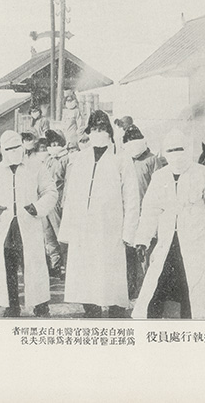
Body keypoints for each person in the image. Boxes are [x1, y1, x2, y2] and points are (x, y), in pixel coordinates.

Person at [132, 129, 205, 320]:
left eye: (180, 149)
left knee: (194, 292)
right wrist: (142, 241)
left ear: (188, 150)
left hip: (198, 242)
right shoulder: (160, 176)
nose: (176, 155)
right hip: (169, 242)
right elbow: (150, 211)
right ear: (165, 153)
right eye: (171, 151)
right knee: (157, 290)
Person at [58, 110, 140, 318]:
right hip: (84, 227)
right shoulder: (81, 158)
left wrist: (129, 232)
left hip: (110, 227)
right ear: (89, 131)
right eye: (94, 129)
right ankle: (91, 309)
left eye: (102, 128)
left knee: (111, 272)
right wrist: (68, 230)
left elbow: (131, 198)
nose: (98, 132)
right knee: (86, 272)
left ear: (110, 131)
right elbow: (72, 195)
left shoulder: (121, 158)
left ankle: (116, 309)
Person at [0, 130, 58, 317]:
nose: (13, 152)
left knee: (34, 265)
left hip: (28, 224)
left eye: (16, 147)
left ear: (22, 147)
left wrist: (37, 207)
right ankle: (11, 305)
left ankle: (40, 304)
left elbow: (50, 191)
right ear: (3, 150)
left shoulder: (35, 167)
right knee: (7, 267)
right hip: (5, 227)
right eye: (9, 149)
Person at [121, 124, 163, 299]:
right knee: (128, 254)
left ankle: (148, 290)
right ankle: (130, 288)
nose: (133, 143)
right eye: (129, 140)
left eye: (135, 139)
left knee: (146, 253)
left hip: (147, 214)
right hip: (128, 214)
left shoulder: (152, 160)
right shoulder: (124, 161)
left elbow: (160, 188)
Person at [43, 129, 70, 276]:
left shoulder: (66, 159)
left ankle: (66, 265)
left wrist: (64, 201)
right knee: (49, 234)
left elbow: (67, 181)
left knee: (61, 235)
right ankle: (55, 264)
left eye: (56, 143)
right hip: (48, 200)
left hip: (59, 200)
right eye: (51, 143)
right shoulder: (49, 159)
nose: (54, 146)